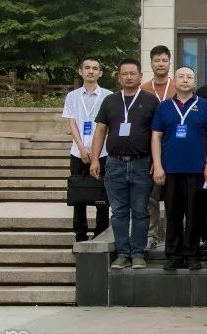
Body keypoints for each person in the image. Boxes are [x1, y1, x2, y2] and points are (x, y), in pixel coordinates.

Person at [89, 59, 160, 270]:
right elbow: (100, 130)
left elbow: (157, 134)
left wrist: (157, 162)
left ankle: (138, 253)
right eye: (124, 74)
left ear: (140, 76)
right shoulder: (110, 100)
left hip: (141, 164)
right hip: (115, 164)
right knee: (119, 212)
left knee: (140, 211)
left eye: (133, 73)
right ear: (119, 77)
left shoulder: (151, 100)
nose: (129, 77)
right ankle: (122, 253)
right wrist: (95, 159)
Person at [150, 66, 207, 271]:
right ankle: (173, 255)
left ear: (194, 81)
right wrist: (158, 166)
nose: (185, 80)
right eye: (181, 76)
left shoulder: (204, 105)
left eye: (189, 77)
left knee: (194, 214)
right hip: (170, 170)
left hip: (197, 170)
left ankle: (192, 254)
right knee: (172, 214)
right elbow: (156, 137)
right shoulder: (164, 107)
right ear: (175, 80)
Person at [63, 56, 112, 242]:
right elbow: (72, 124)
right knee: (78, 193)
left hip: (102, 152)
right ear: (80, 71)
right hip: (78, 152)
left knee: (102, 195)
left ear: (100, 73)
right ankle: (80, 234)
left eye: (95, 68)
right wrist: (82, 148)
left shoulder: (108, 96)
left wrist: (95, 152)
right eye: (87, 68)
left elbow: (109, 126)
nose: (91, 71)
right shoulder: (72, 96)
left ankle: (101, 233)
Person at [142, 45, 175, 251]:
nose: (161, 64)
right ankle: (152, 234)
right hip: (149, 151)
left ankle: (173, 235)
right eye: (157, 60)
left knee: (174, 197)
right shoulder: (143, 89)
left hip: (174, 151)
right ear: (151, 63)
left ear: (170, 62)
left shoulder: (178, 87)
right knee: (151, 197)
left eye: (164, 60)